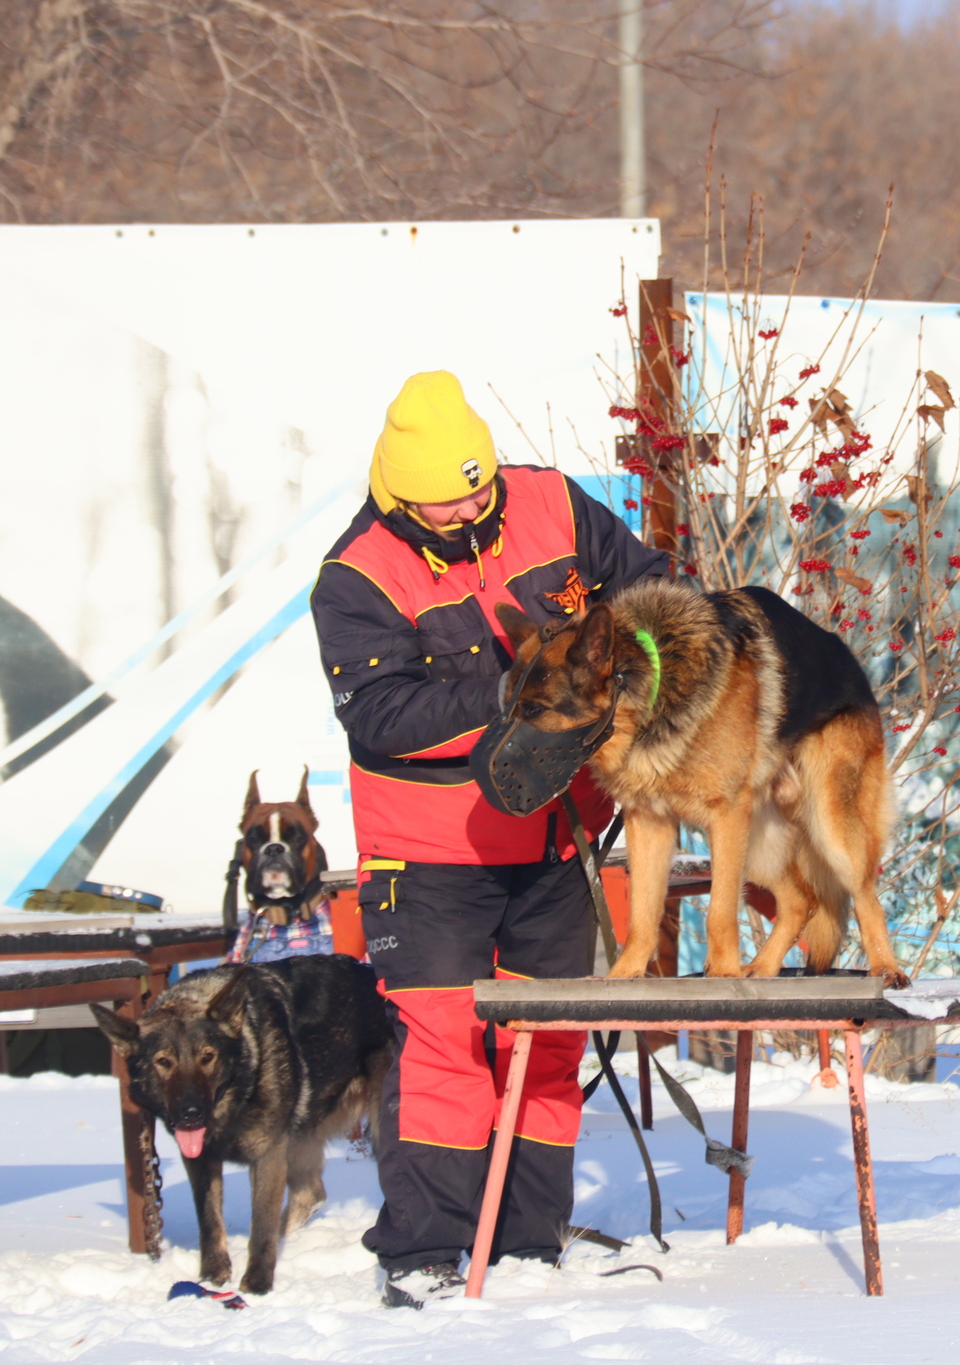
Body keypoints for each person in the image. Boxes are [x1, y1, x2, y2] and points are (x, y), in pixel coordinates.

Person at [311, 371, 668, 1308]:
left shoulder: (550, 499)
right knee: (441, 1045)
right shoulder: (354, 577)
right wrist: (516, 695)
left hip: (557, 842)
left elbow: (652, 589)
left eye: (482, 485)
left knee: (546, 1044)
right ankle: (425, 1249)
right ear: (399, 495)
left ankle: (527, 1239)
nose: (475, 504)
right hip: (428, 857)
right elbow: (383, 713)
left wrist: (654, 663)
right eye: (450, 496)